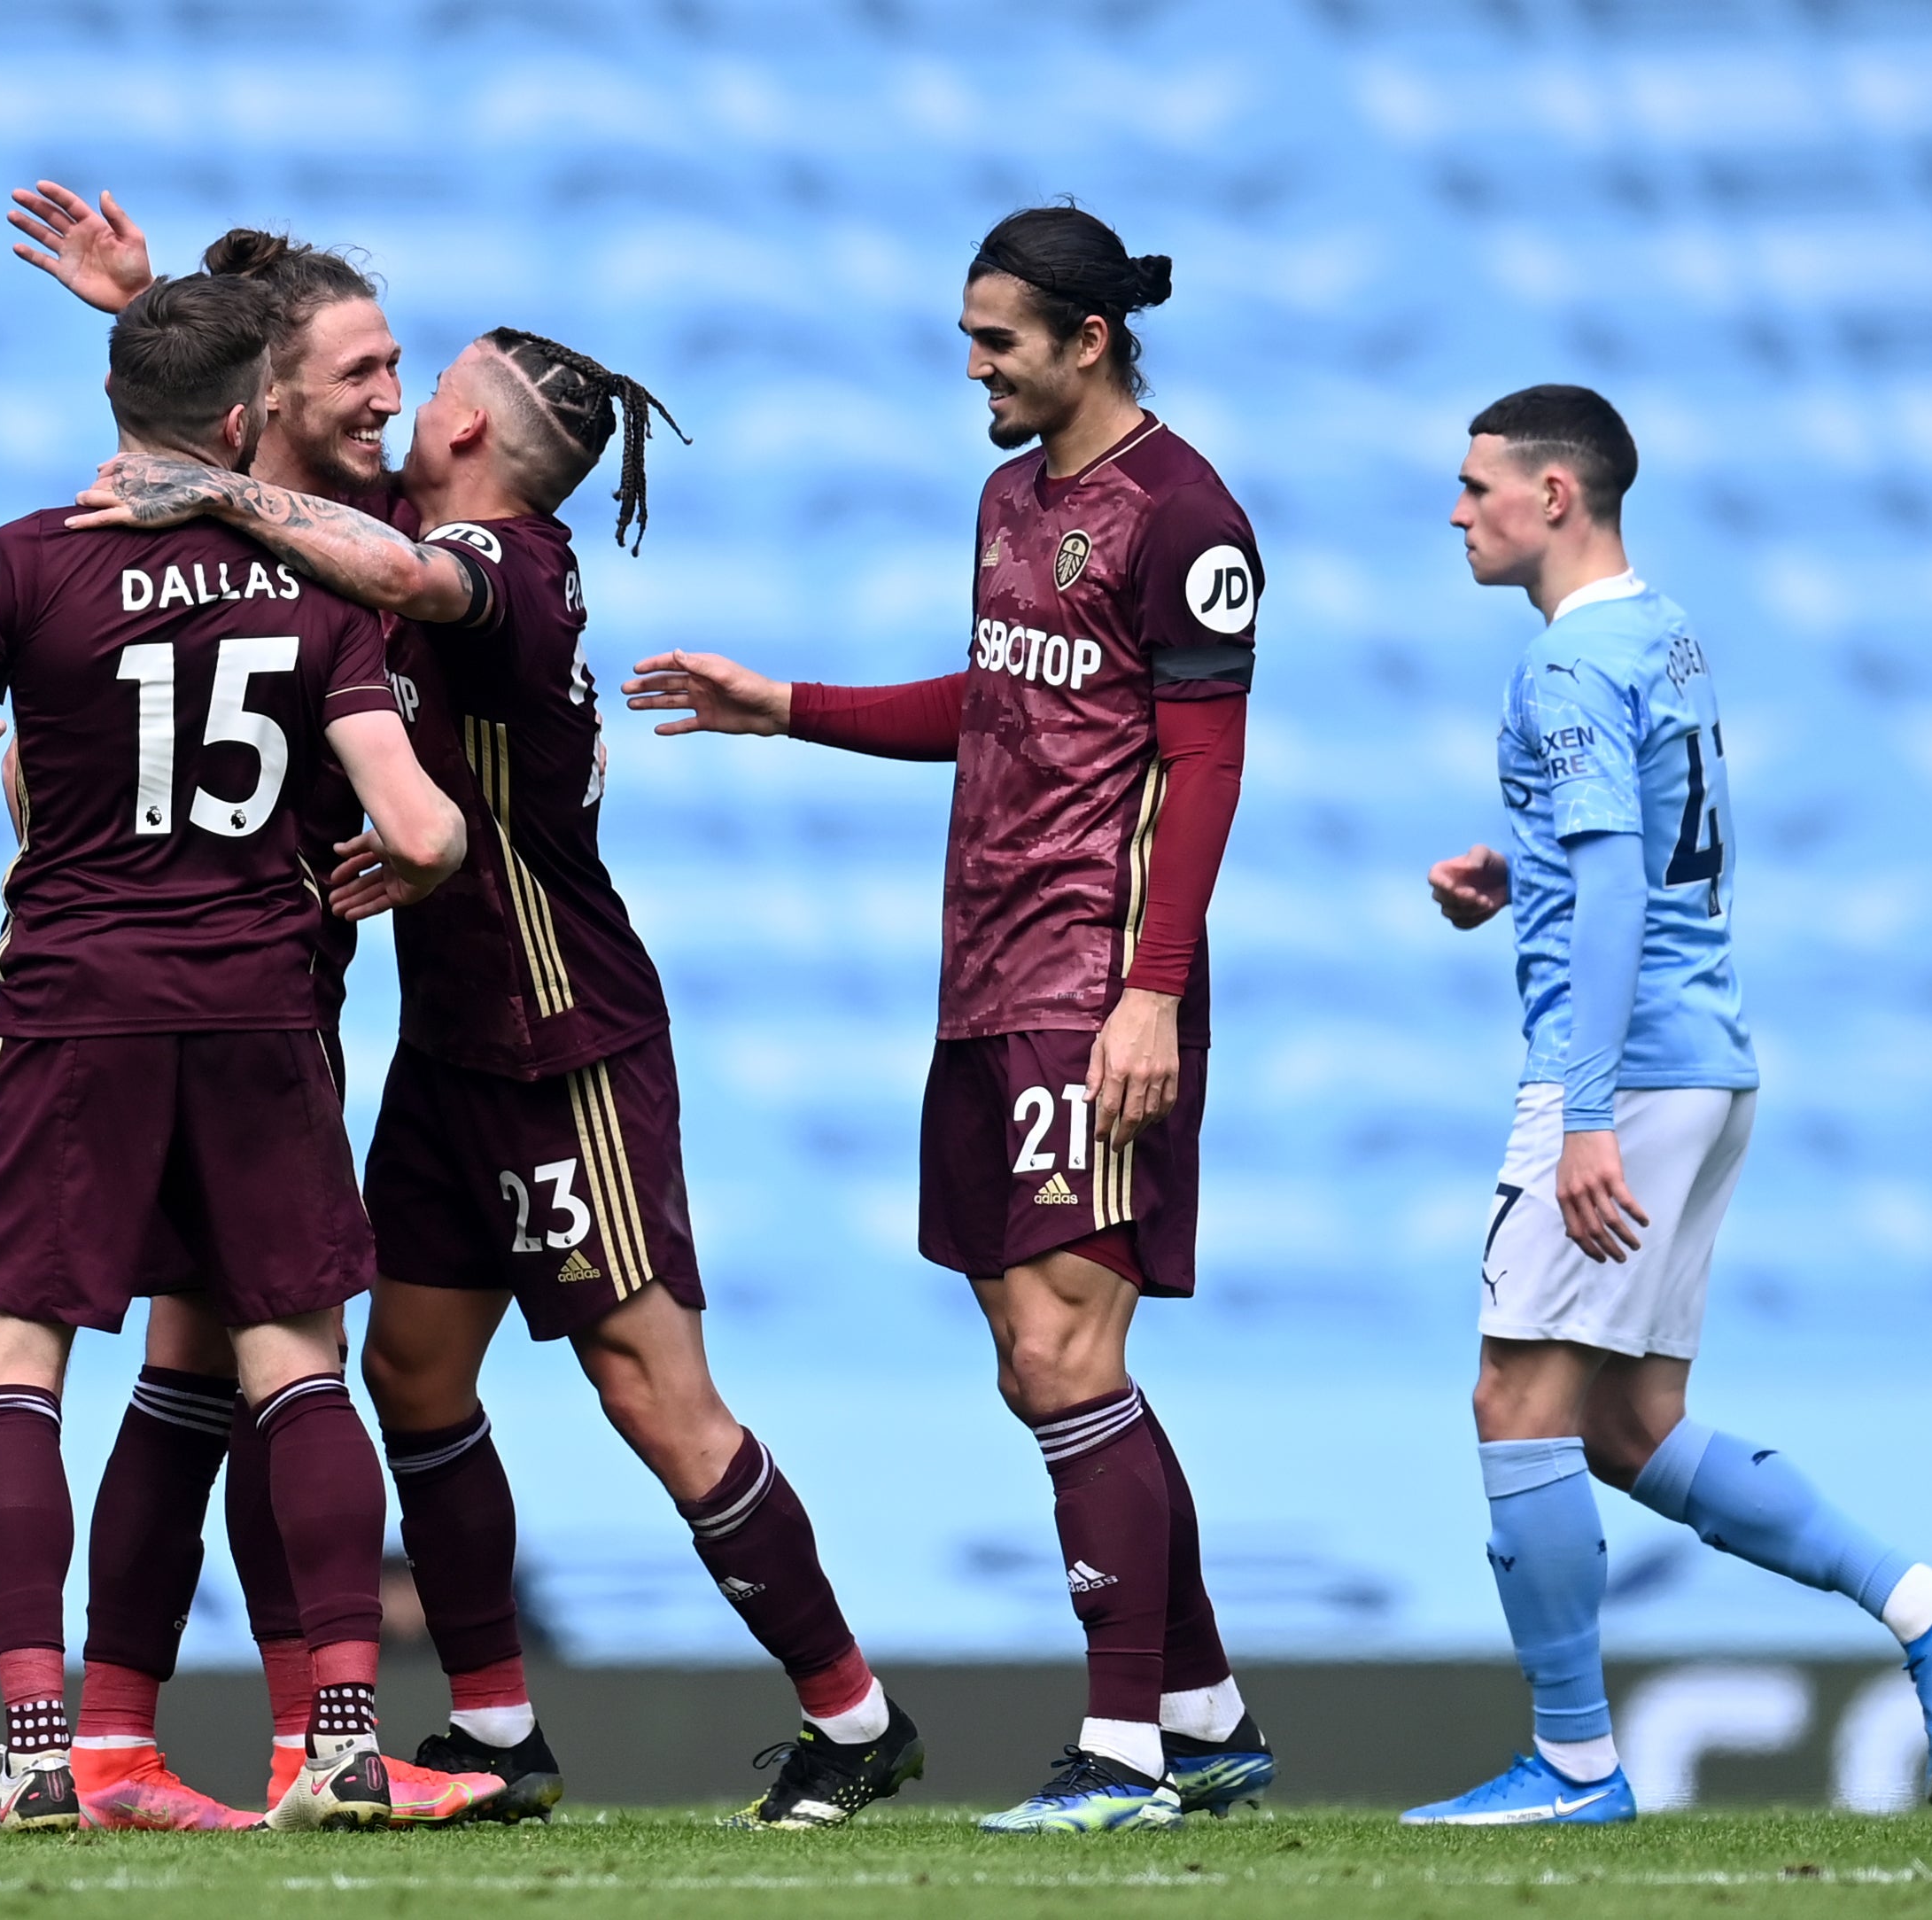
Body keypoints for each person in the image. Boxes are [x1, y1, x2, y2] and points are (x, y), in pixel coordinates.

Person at [75, 323, 922, 1831]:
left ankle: (852, 1716)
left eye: (427, 381)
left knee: (655, 1396)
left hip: (561, 1041)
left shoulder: (507, 565)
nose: (397, 398)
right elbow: (285, 466)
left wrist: (194, 499)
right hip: (453, 1049)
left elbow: (398, 578)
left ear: (470, 428)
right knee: (407, 1370)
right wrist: (158, 316)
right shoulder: (408, 526)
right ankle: (491, 1724)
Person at [617, 205, 1272, 1834]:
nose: (969, 364)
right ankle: (1200, 1709)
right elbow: (998, 707)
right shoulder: (1008, 497)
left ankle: (1120, 1754)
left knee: (1067, 1353)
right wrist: (790, 706)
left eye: (996, 341)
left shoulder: (1184, 516)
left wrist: (1149, 996)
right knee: (1033, 1358)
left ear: (1085, 342)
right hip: (983, 976)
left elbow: (1201, 770)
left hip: (1090, 988)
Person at [0, 270, 485, 1835]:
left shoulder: (16, 565)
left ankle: (37, 1750)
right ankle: (339, 1738)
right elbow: (420, 828)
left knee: (19, 1365)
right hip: (264, 1012)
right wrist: (395, 867)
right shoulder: (316, 587)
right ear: (237, 418)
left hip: (74, 1015)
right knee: (294, 1362)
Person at [1400, 386, 1932, 1825]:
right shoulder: (1659, 629)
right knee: (1626, 1429)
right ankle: (1928, 1602)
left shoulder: (1565, 667)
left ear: (1555, 495)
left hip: (1623, 1073)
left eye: (1475, 485)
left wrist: (1588, 1113)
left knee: (1515, 1403)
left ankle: (1571, 1764)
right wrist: (1518, 875)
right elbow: (1635, 839)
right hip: (1707, 1056)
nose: (1456, 511)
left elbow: (1620, 874)